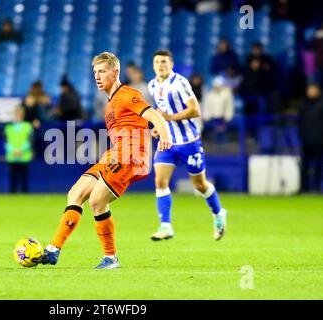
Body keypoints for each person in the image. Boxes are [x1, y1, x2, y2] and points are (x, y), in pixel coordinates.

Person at [39, 52, 172, 269]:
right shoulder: (110, 102)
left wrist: (164, 136)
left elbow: (153, 116)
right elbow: (138, 122)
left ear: (115, 72)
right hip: (114, 154)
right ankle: (54, 249)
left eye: (102, 71)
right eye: (95, 72)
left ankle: (111, 258)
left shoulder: (128, 94)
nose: (97, 76)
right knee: (76, 192)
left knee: (97, 201)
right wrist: (152, 130)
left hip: (130, 157)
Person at [147, 49, 227, 241]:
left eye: (164, 62)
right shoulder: (152, 85)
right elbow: (161, 109)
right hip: (168, 141)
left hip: (189, 141)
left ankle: (218, 213)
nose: (160, 65)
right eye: (157, 62)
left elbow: (195, 110)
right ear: (153, 65)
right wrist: (159, 126)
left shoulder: (180, 83)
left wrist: (170, 118)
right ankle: (166, 226)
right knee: (160, 181)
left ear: (171, 64)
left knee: (199, 185)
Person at [298, 83, 323, 193]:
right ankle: (304, 188)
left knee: (318, 166)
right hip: (306, 140)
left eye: (313, 89)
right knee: (304, 166)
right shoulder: (304, 105)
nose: (311, 91)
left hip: (319, 140)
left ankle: (317, 188)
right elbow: (300, 123)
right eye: (309, 89)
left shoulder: (321, 104)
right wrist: (302, 136)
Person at [4, 107, 33, 193]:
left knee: (24, 179)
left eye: (19, 115)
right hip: (12, 156)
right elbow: (6, 141)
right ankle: (12, 196)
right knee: (13, 179)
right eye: (16, 115)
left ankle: (25, 196)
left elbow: (30, 140)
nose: (18, 117)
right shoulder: (8, 128)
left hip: (24, 156)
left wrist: (21, 150)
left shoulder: (27, 126)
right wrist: (13, 150)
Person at [202, 76, 234, 145]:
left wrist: (228, 117)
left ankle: (224, 148)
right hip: (212, 119)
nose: (216, 87)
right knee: (214, 138)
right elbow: (206, 107)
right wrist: (206, 117)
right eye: (215, 86)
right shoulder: (209, 95)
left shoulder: (227, 94)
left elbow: (229, 107)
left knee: (223, 136)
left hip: (223, 118)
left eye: (218, 86)